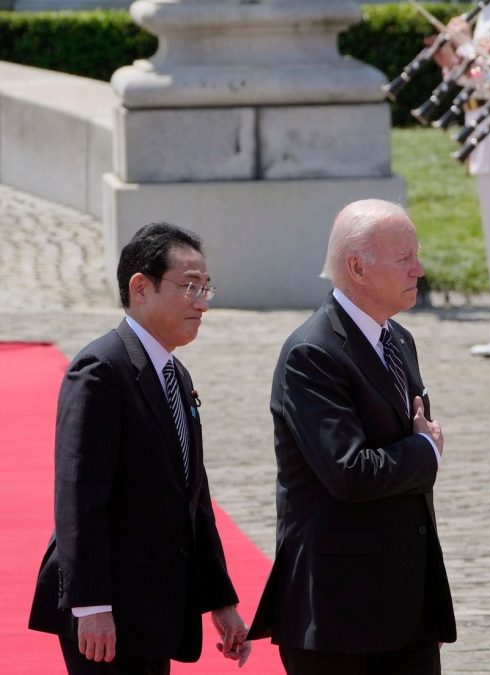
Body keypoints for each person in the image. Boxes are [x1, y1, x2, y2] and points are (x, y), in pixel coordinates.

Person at [28, 223, 250, 673]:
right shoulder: (100, 370)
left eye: (206, 287)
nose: (203, 302)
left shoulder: (175, 375)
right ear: (141, 287)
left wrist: (220, 600)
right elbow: (79, 497)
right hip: (107, 612)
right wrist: (90, 605)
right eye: (189, 286)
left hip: (155, 607)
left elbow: (195, 498)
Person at [248, 199, 456, 674]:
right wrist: (426, 450)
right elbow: (350, 473)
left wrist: (426, 606)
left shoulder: (398, 340)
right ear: (358, 267)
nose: (419, 269)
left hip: (406, 611)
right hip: (340, 618)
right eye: (404, 257)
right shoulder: (312, 354)